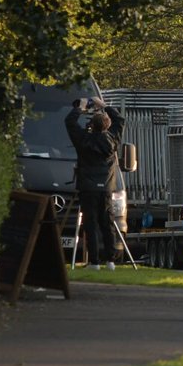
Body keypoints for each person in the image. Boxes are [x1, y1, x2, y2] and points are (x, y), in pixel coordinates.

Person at [64, 96, 125, 269]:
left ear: (92, 125)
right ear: (107, 125)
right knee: (107, 222)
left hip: (87, 187)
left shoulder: (83, 139)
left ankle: (94, 261)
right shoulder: (112, 139)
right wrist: (103, 105)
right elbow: (120, 120)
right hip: (106, 187)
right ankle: (111, 260)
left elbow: (69, 122)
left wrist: (81, 107)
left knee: (90, 223)